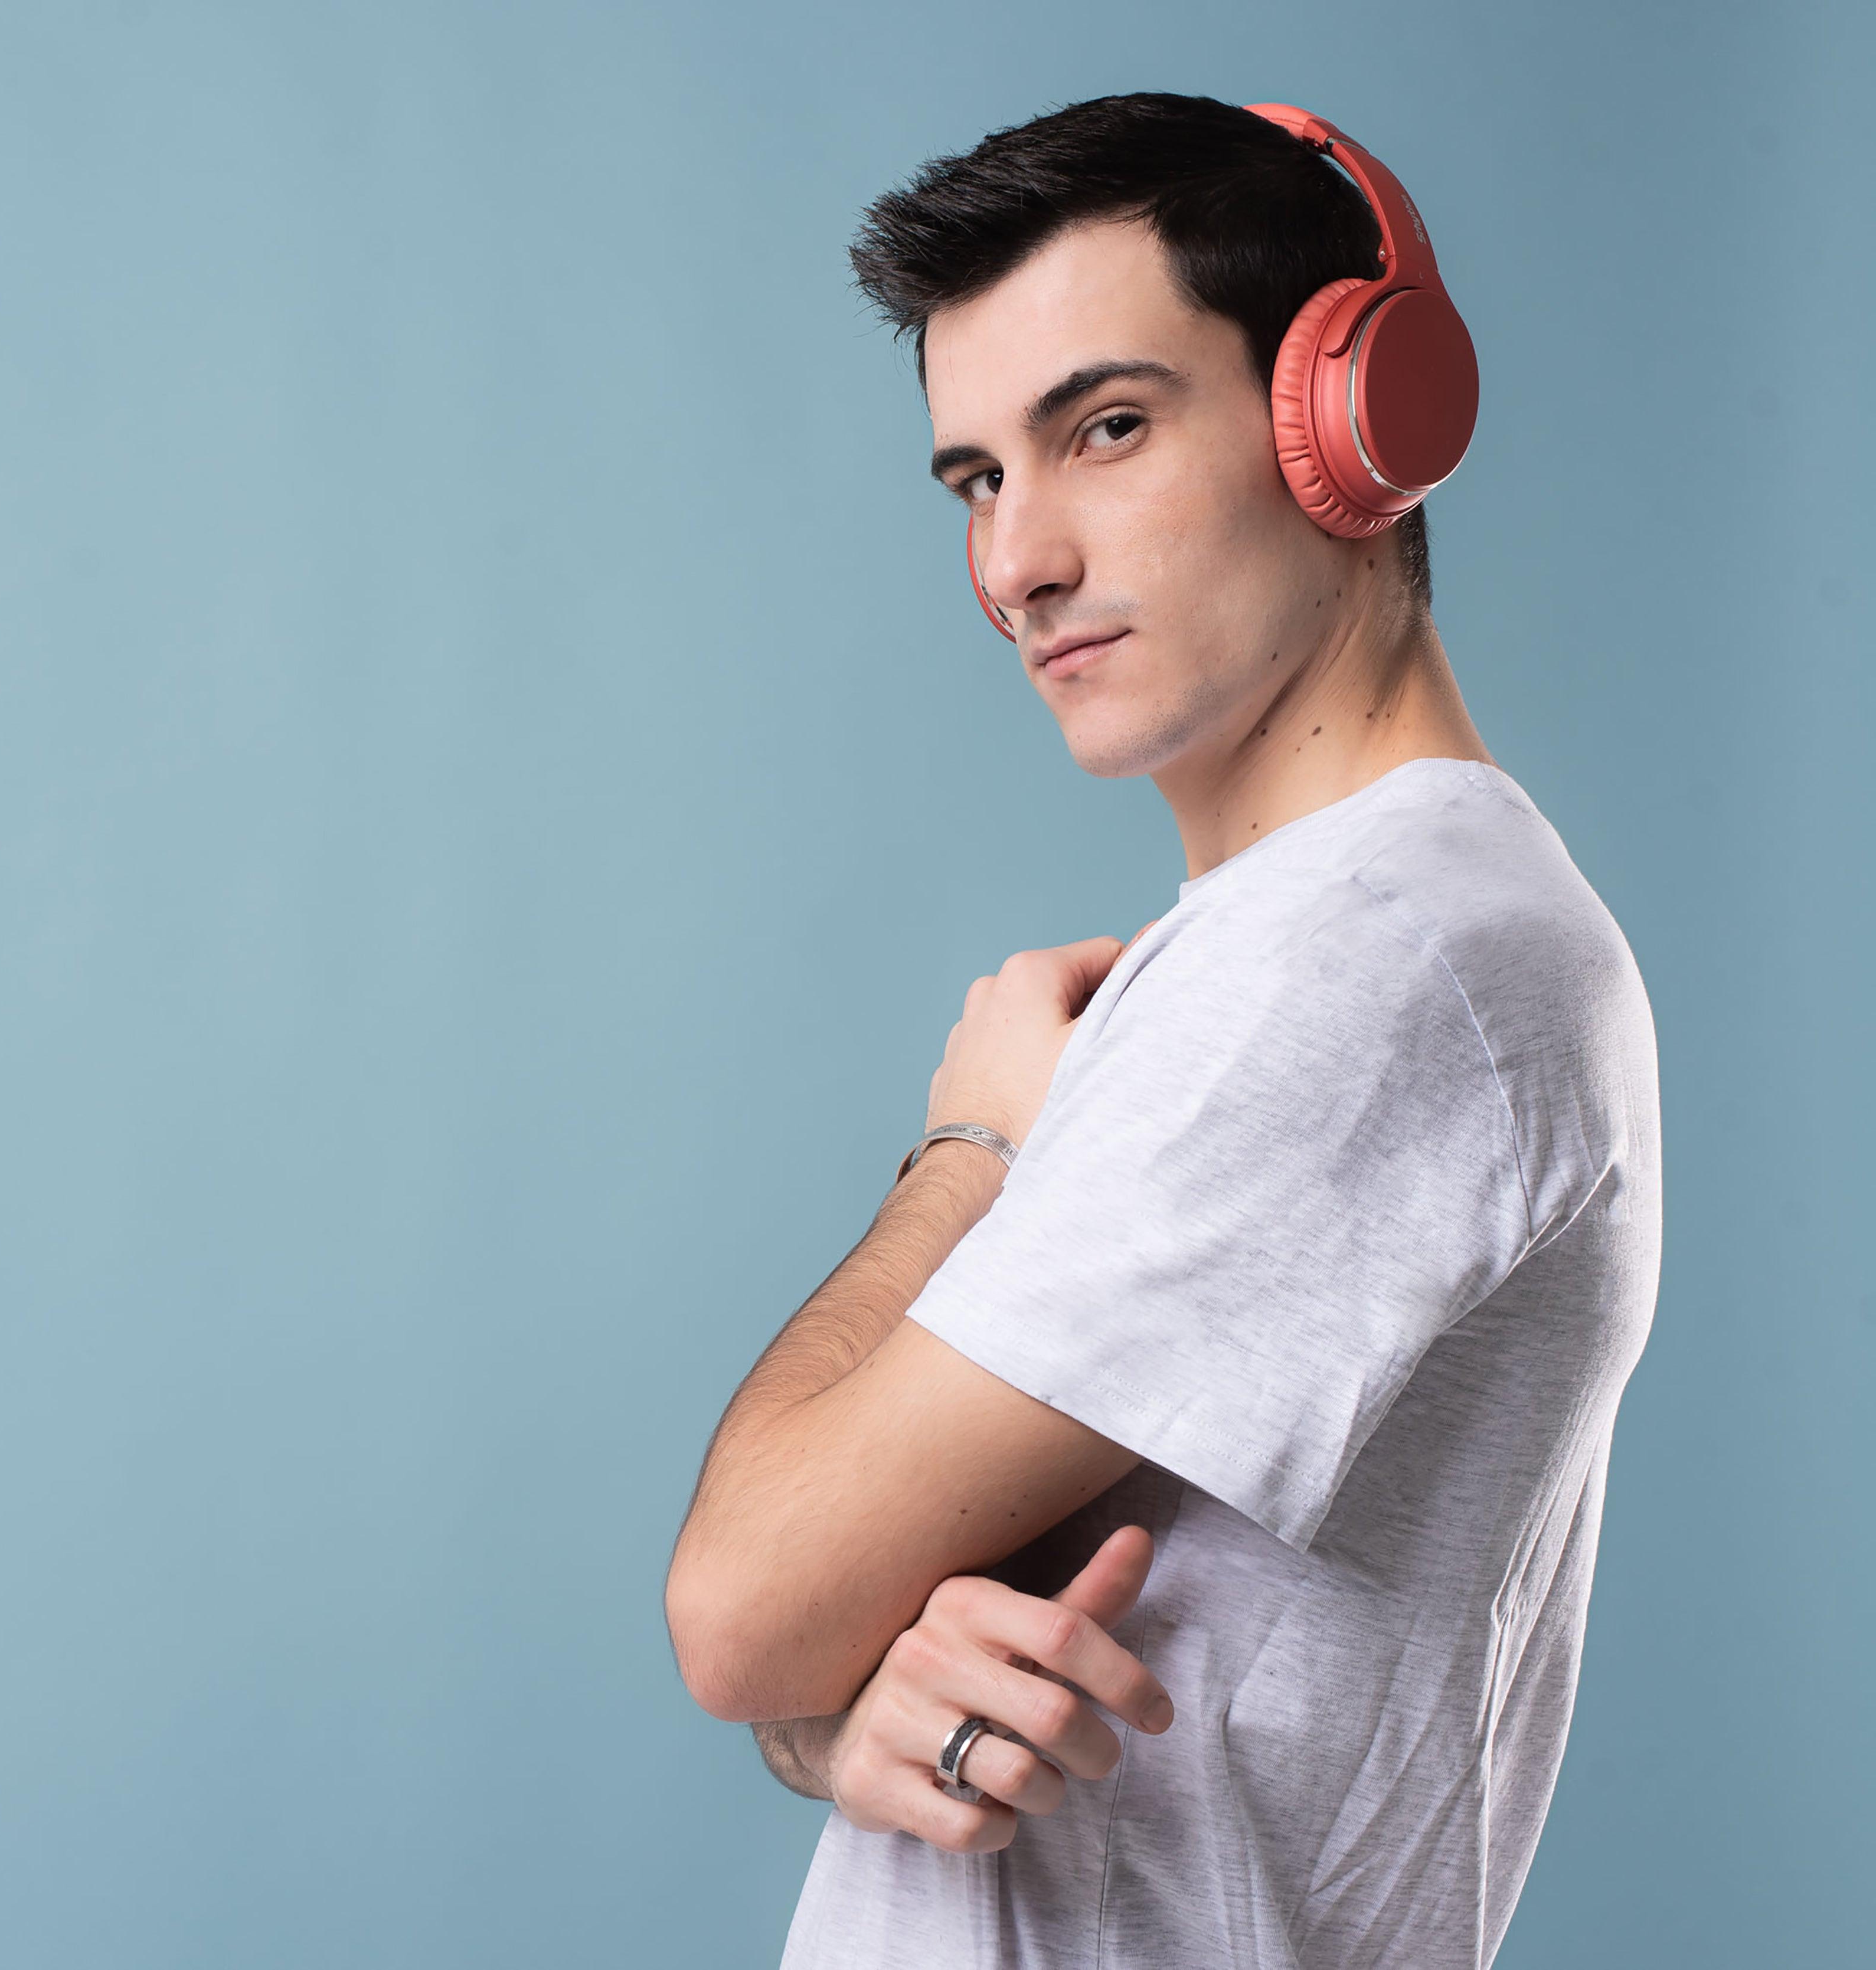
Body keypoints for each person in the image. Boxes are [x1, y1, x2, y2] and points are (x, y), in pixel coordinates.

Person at [663, 94, 1661, 1968]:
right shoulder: (1322, 942)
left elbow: (740, 1607)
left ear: (1358, 423)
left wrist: (969, 1150)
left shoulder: (1379, 954)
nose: (1015, 563)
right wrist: (840, 1717)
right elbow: (824, 1653)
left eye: (1105, 429)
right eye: (977, 479)